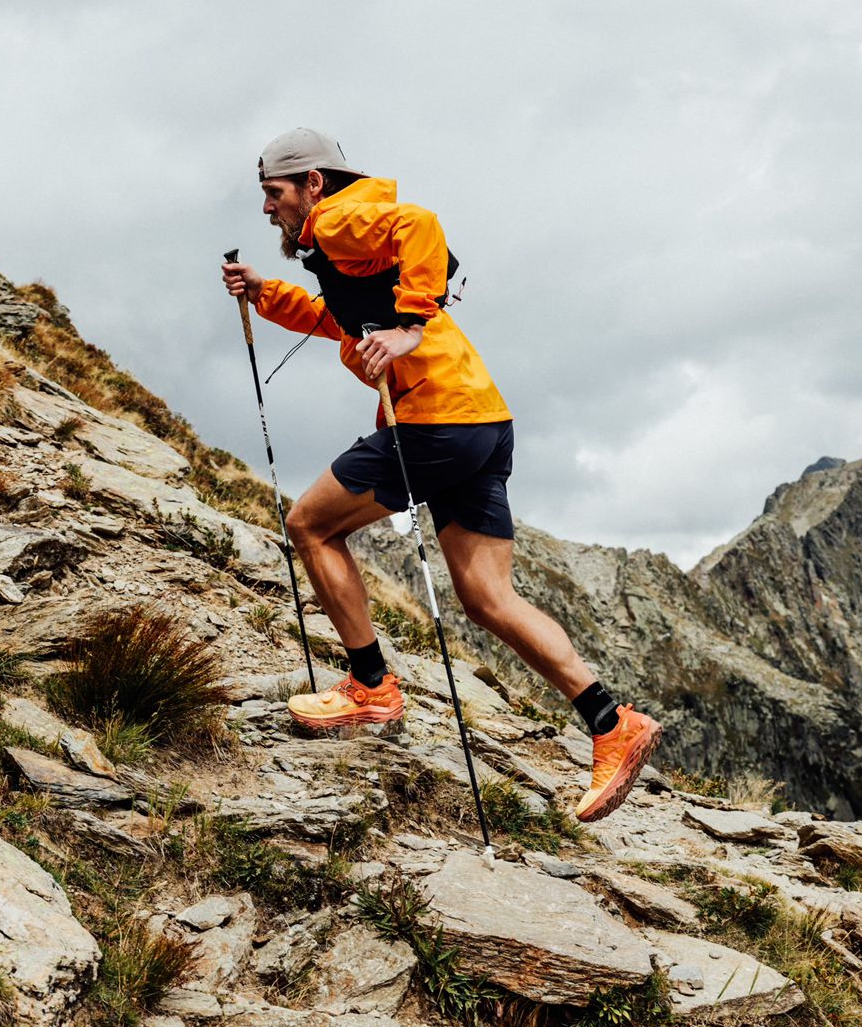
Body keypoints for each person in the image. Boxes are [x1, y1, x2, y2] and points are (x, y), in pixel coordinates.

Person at [220, 128, 661, 822]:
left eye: (274, 194)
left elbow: (420, 225)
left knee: (310, 523)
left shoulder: (338, 219)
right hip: (483, 419)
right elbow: (339, 321)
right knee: (488, 596)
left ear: (311, 183)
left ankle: (370, 688)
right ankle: (612, 722)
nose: (268, 209)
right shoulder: (340, 251)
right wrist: (266, 292)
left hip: (433, 422)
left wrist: (409, 326)